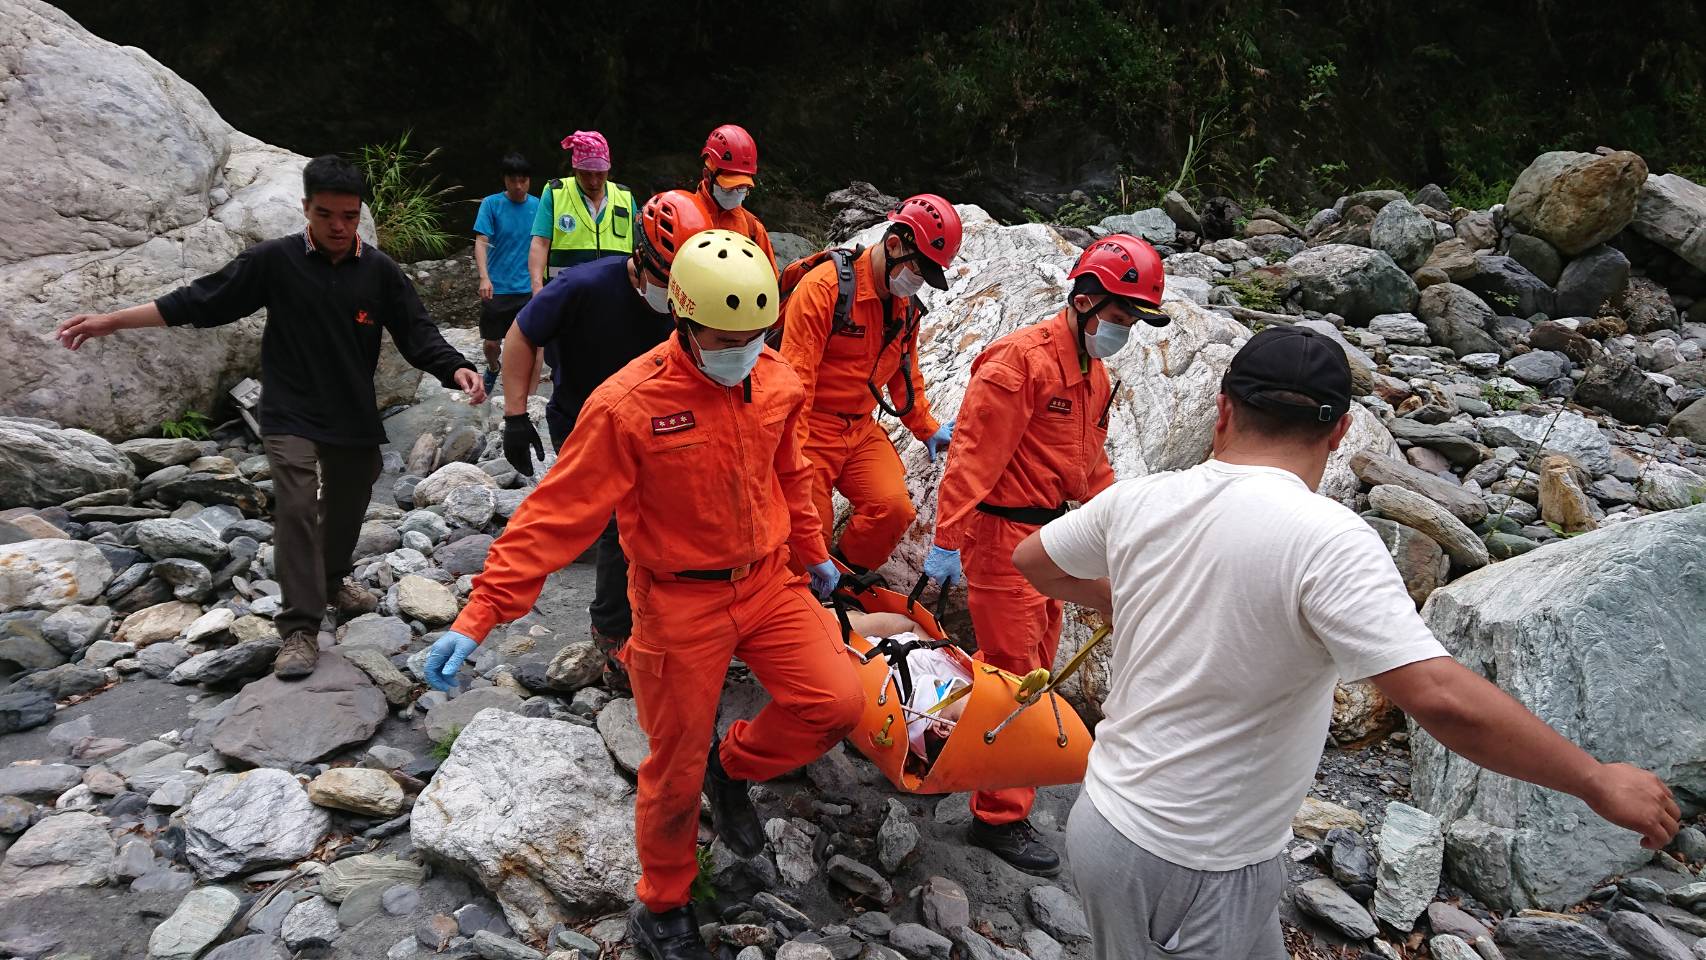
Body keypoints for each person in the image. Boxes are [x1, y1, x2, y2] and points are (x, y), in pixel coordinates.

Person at [1010, 326, 1680, 959]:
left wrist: (1120, 594)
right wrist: (1594, 780)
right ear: (1339, 432)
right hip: (1192, 860)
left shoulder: (1139, 500)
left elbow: (1034, 561)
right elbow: (1440, 697)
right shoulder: (1327, 539)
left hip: (1111, 823)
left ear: (1222, 409)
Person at [422, 230, 862, 960]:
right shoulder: (630, 405)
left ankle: (738, 763)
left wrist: (814, 553)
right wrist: (481, 614)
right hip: (677, 601)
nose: (744, 349)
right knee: (672, 764)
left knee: (836, 703)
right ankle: (663, 905)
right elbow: (557, 515)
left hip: (768, 583)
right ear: (683, 318)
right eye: (728, 337)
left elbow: (791, 473)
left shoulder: (777, 379)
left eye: (756, 335)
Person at [57, 155, 486, 680]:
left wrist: (458, 368)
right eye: (326, 214)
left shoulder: (379, 272)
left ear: (359, 214)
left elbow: (418, 334)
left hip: (350, 410)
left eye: (349, 216)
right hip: (290, 409)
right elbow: (201, 300)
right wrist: (112, 321)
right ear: (305, 208)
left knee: (352, 496)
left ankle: (329, 580)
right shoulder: (274, 261)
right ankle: (300, 628)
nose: (337, 226)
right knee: (298, 502)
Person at [922, 234, 1168, 875]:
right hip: (1002, 539)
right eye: (1120, 319)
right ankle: (997, 814)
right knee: (1015, 675)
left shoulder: (1094, 374)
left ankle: (966, 760)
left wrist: (1129, 521)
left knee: (1035, 659)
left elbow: (1088, 466)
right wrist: (947, 540)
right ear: (1085, 302)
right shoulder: (1018, 365)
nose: (1124, 332)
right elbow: (972, 459)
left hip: (1052, 540)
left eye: (1132, 323)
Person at [498, 190, 713, 691]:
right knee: (622, 520)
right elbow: (521, 335)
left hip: (655, 423)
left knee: (660, 518)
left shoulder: (690, 296)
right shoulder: (583, 286)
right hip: (582, 418)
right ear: (641, 256)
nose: (673, 294)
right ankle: (612, 629)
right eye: (665, 279)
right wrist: (514, 414)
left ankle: (663, 612)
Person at [779, 194, 961, 573]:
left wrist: (927, 428)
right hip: (811, 426)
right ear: (893, 245)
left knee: (893, 509)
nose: (918, 283)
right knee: (809, 532)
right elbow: (795, 384)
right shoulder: (825, 291)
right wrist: (790, 461)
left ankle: (844, 578)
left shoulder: (905, 306)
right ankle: (809, 592)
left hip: (860, 428)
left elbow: (905, 374)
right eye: (918, 270)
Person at [529, 130, 635, 291]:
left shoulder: (625, 197)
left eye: (600, 174)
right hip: (564, 295)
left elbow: (638, 249)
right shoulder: (555, 192)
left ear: (608, 168)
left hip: (613, 296)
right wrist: (537, 287)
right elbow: (540, 244)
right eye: (586, 174)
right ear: (575, 168)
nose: (593, 182)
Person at [473, 152, 541, 394]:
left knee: (530, 344)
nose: (519, 186)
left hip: (527, 288)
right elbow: (482, 241)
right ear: (505, 180)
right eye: (513, 180)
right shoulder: (491, 204)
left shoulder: (539, 206)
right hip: (498, 287)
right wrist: (484, 276)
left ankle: (527, 396)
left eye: (523, 180)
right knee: (492, 344)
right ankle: (493, 367)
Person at [689, 124, 777, 270]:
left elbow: (773, 284)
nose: (736, 194)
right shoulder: (683, 217)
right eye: (729, 187)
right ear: (707, 175)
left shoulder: (753, 229)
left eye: (742, 187)